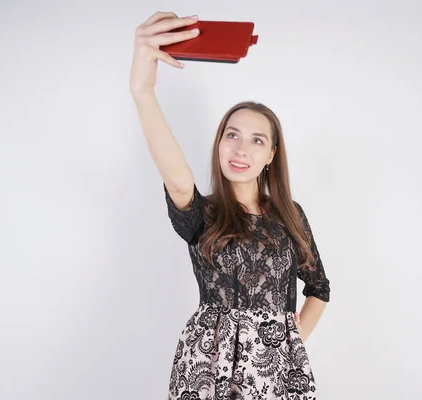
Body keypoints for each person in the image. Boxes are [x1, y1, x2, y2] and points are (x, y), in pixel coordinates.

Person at [129, 11, 330, 400]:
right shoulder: (202, 213)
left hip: (275, 374)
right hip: (207, 369)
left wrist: (288, 343)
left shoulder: (290, 215)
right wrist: (143, 91)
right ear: (219, 143)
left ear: (271, 154)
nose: (240, 148)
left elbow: (319, 289)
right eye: (232, 135)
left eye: (256, 140)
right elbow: (175, 175)